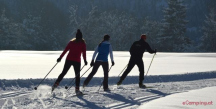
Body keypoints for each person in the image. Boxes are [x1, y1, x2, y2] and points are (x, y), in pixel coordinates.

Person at [52, 29, 87, 95]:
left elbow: (83, 53)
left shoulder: (73, 43)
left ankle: (56, 85)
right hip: (74, 60)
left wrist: (85, 60)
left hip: (71, 60)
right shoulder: (81, 43)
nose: (78, 39)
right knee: (72, 74)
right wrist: (60, 57)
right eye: (78, 38)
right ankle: (56, 85)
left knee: (73, 74)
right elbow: (66, 50)